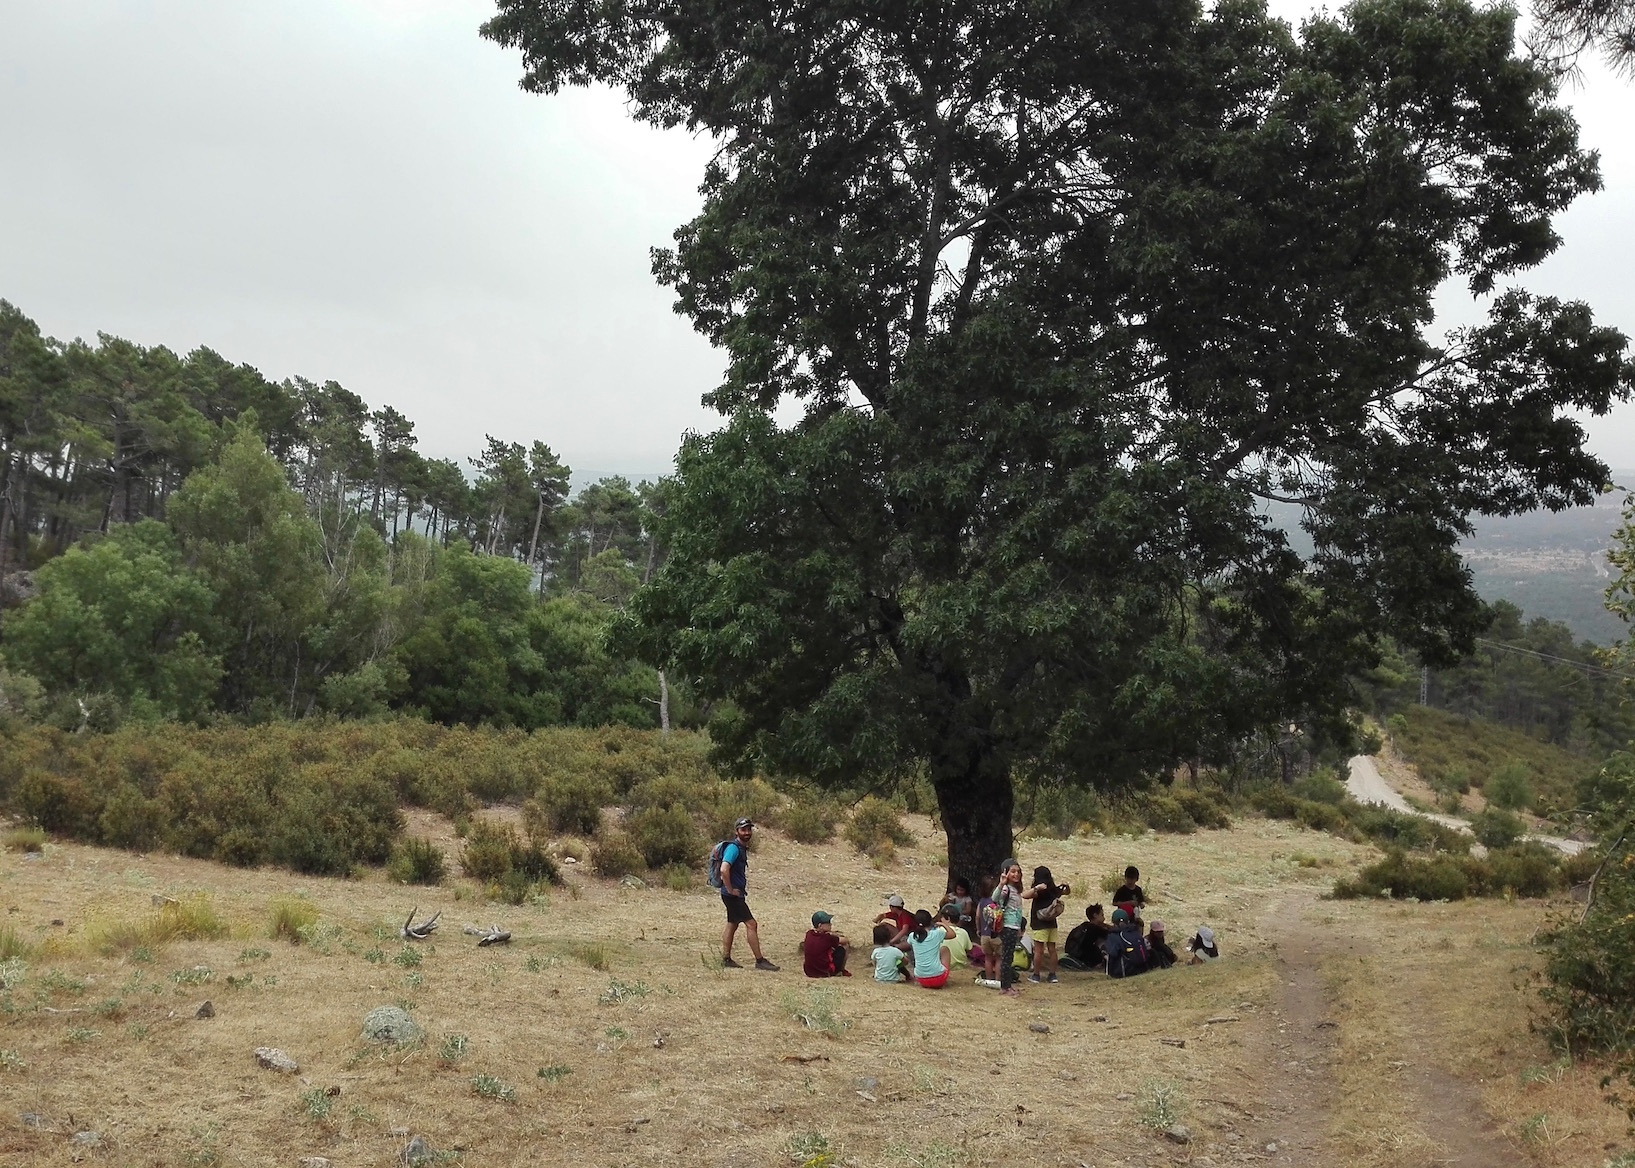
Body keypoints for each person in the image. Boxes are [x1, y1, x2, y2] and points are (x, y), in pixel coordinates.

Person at [718, 818, 779, 971]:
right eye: (743, 830)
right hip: (733, 895)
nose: (747, 833)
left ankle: (726, 958)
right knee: (751, 924)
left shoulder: (740, 848)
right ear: (736, 831)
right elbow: (724, 869)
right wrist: (731, 890)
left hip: (730, 894)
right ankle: (759, 961)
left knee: (732, 923)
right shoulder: (734, 848)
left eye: (748, 830)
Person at [1023, 865, 1070, 984]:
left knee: (1038, 950)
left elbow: (1025, 895)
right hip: (1052, 924)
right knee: (1052, 950)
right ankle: (1053, 975)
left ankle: (1036, 975)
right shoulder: (1053, 890)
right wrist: (1066, 886)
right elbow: (1066, 892)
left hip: (1040, 924)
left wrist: (1036, 888)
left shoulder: (1040, 891)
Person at [994, 859, 1028, 996]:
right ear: (1006, 873)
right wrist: (1001, 883)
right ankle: (1005, 987)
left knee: (1009, 957)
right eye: (1013, 871)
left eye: (1018, 872)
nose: (1016, 874)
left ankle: (1007, 985)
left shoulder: (1016, 890)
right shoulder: (1006, 889)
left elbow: (1017, 912)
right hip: (1007, 927)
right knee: (1007, 958)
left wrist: (1019, 927)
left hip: (1014, 927)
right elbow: (995, 898)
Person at [904, 909, 954, 988]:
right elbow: (952, 934)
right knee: (944, 949)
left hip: (921, 978)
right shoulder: (936, 933)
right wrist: (943, 924)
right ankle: (944, 973)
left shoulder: (912, 936)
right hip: (938, 978)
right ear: (930, 921)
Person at [802, 911, 851, 978]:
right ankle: (841, 970)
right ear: (820, 925)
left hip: (809, 972)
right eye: (828, 923)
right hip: (825, 972)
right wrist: (833, 934)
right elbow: (845, 940)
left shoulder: (809, 934)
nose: (830, 925)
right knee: (843, 946)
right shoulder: (827, 938)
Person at [1104, 906, 1149, 979]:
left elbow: (1113, 953)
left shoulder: (1114, 936)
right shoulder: (1135, 932)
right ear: (1127, 920)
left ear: (1114, 922)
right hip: (1142, 968)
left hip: (1124, 971)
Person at [1062, 904, 1110, 972]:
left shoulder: (1084, 926)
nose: (1104, 918)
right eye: (1102, 915)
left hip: (1074, 953)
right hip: (1084, 957)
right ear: (1095, 915)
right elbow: (1109, 934)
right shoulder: (1094, 929)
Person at [974, 874, 1002, 986]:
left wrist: (978, 929)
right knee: (999, 958)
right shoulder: (998, 902)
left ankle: (989, 979)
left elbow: (977, 916)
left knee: (988, 958)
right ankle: (998, 980)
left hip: (984, 935)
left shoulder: (982, 901)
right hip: (998, 935)